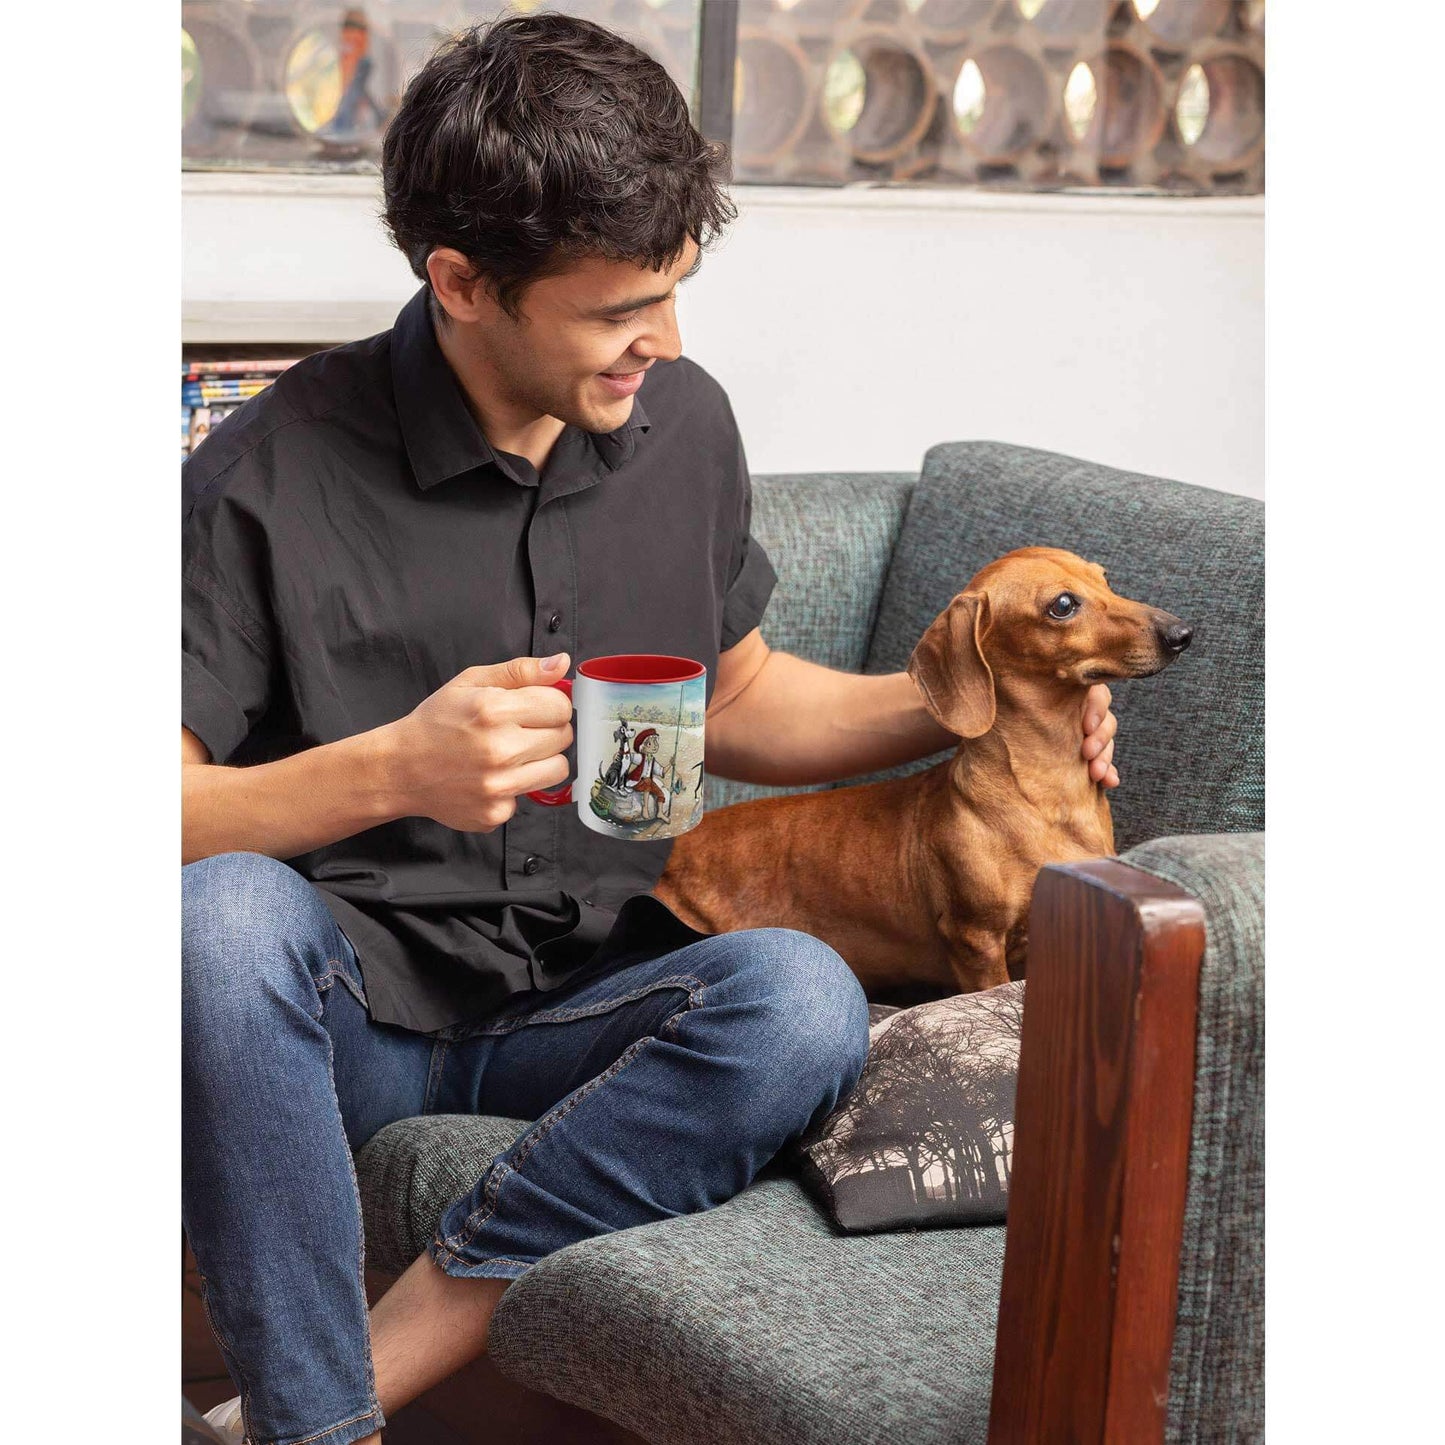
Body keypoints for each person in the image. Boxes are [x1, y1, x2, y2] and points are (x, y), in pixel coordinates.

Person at [182, 15, 1121, 1445]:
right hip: (347, 1015)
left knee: (800, 998)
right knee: (218, 924)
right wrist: (389, 769)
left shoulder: (680, 428)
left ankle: (406, 1333)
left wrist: (976, 708)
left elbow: (734, 695)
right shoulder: (269, 470)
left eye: (673, 294)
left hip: (590, 998)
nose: (662, 343)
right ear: (460, 284)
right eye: (620, 308)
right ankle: (322, 1429)